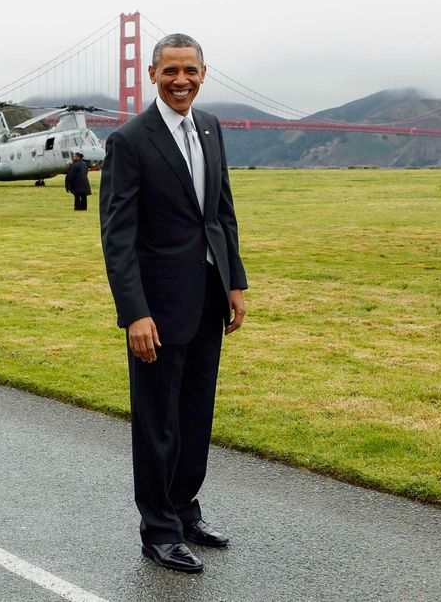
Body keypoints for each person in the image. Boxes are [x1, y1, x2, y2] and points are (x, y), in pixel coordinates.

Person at [100, 33, 247, 572]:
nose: (181, 80)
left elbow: (221, 212)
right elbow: (117, 235)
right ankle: (158, 529)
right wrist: (134, 312)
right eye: (170, 72)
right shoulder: (130, 141)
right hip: (157, 310)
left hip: (208, 299)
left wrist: (234, 282)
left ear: (204, 73)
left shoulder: (210, 127)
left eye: (190, 70)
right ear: (154, 76)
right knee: (157, 421)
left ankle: (185, 509)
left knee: (195, 415)